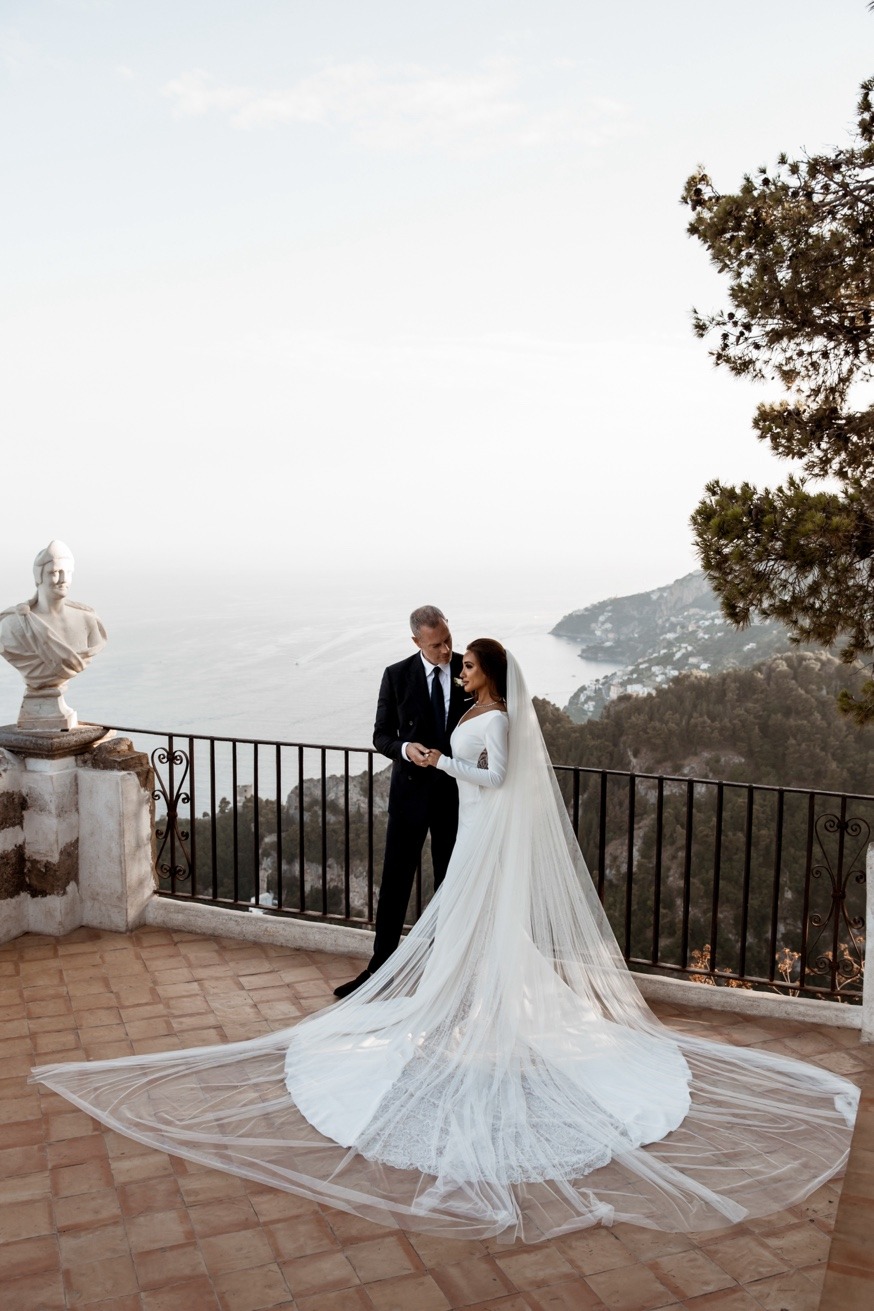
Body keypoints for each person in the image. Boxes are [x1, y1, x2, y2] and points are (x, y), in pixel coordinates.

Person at [31, 642, 858, 1243]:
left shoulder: (494, 721)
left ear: (487, 675)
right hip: (479, 838)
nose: (457, 670)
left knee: (474, 928)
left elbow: (496, 778)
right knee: (463, 929)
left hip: (484, 827)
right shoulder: (479, 709)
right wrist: (429, 747)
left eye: (466, 667)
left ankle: (482, 1020)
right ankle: (469, 1014)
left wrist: (441, 762)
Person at [333, 605, 466, 998]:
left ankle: (445, 970)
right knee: (394, 884)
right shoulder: (396, 675)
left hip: (457, 795)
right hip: (409, 794)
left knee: (451, 884)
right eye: (436, 644)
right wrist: (407, 749)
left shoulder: (468, 669)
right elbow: (381, 736)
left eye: (447, 640)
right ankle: (378, 970)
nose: (445, 651)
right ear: (416, 642)